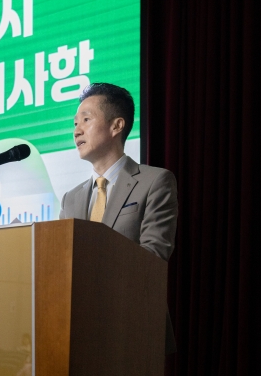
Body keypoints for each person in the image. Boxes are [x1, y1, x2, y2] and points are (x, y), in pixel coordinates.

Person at [59, 82, 177, 353]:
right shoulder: (71, 198)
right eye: (75, 123)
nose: (76, 130)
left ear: (116, 126)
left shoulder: (155, 181)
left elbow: (153, 256)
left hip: (134, 326)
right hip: (79, 330)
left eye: (86, 120)